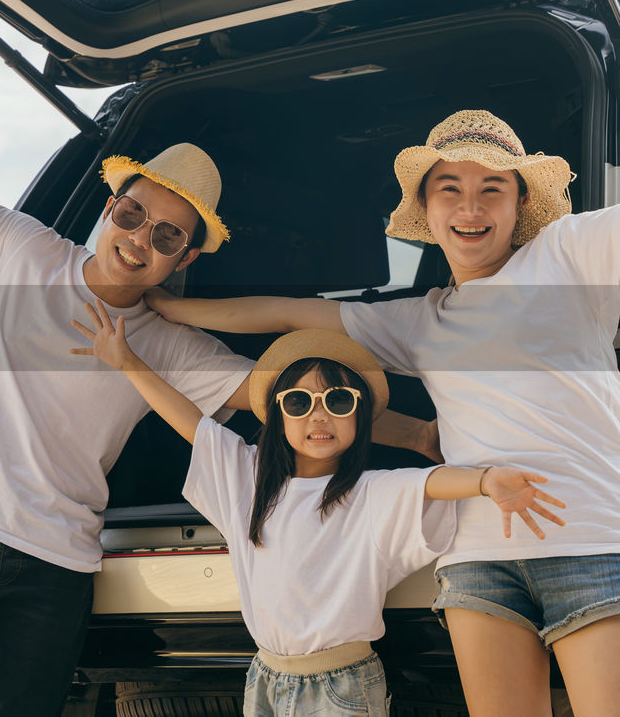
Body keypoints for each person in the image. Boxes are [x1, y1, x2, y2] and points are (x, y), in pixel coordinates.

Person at [0, 32, 437, 717]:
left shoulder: (169, 344)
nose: (140, 238)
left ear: (180, 258)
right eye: (133, 214)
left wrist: (419, 436)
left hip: (57, 563)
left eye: (166, 235)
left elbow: (290, 402)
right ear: (109, 207)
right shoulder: (24, 254)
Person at [142, 109, 620, 716]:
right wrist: (166, 308)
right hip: (479, 560)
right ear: (427, 206)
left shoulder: (568, 255)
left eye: (491, 189)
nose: (470, 209)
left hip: (590, 543)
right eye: (451, 190)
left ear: (519, 203)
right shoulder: (422, 319)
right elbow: (292, 315)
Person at [72, 316, 566, 715]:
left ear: (360, 413)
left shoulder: (370, 493)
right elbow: (187, 419)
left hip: (342, 687)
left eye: (337, 400)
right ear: (278, 414)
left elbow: (430, 483)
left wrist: (484, 481)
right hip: (264, 676)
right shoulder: (245, 480)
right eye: (299, 402)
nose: (318, 415)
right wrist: (127, 362)